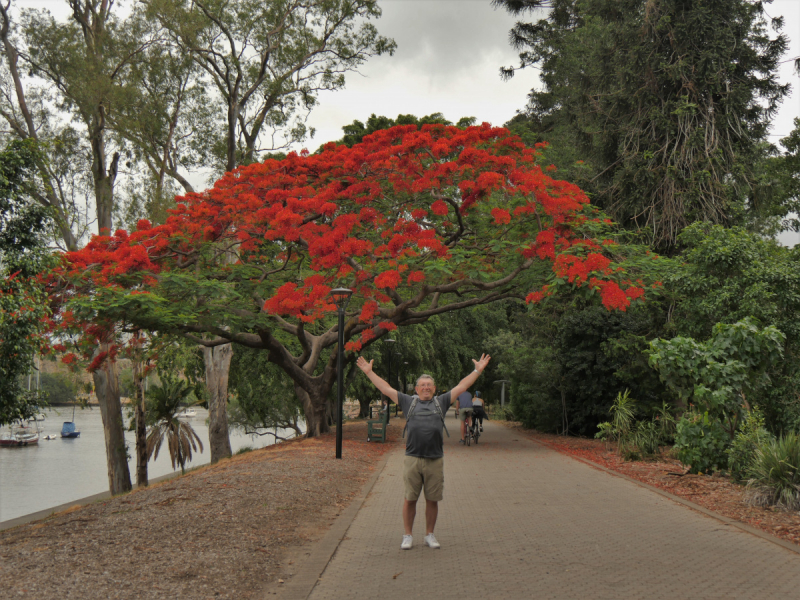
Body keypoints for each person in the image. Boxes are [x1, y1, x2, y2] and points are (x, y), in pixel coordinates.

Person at [356, 353, 491, 550]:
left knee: (432, 499)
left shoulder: (441, 402)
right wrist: (369, 373)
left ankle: (429, 535)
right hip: (412, 458)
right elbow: (385, 388)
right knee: (410, 498)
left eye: (429, 385)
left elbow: (462, 386)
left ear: (434, 389)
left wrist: (477, 370)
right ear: (417, 389)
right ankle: (407, 535)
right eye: (423, 385)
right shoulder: (407, 402)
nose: (426, 387)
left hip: (435, 459)